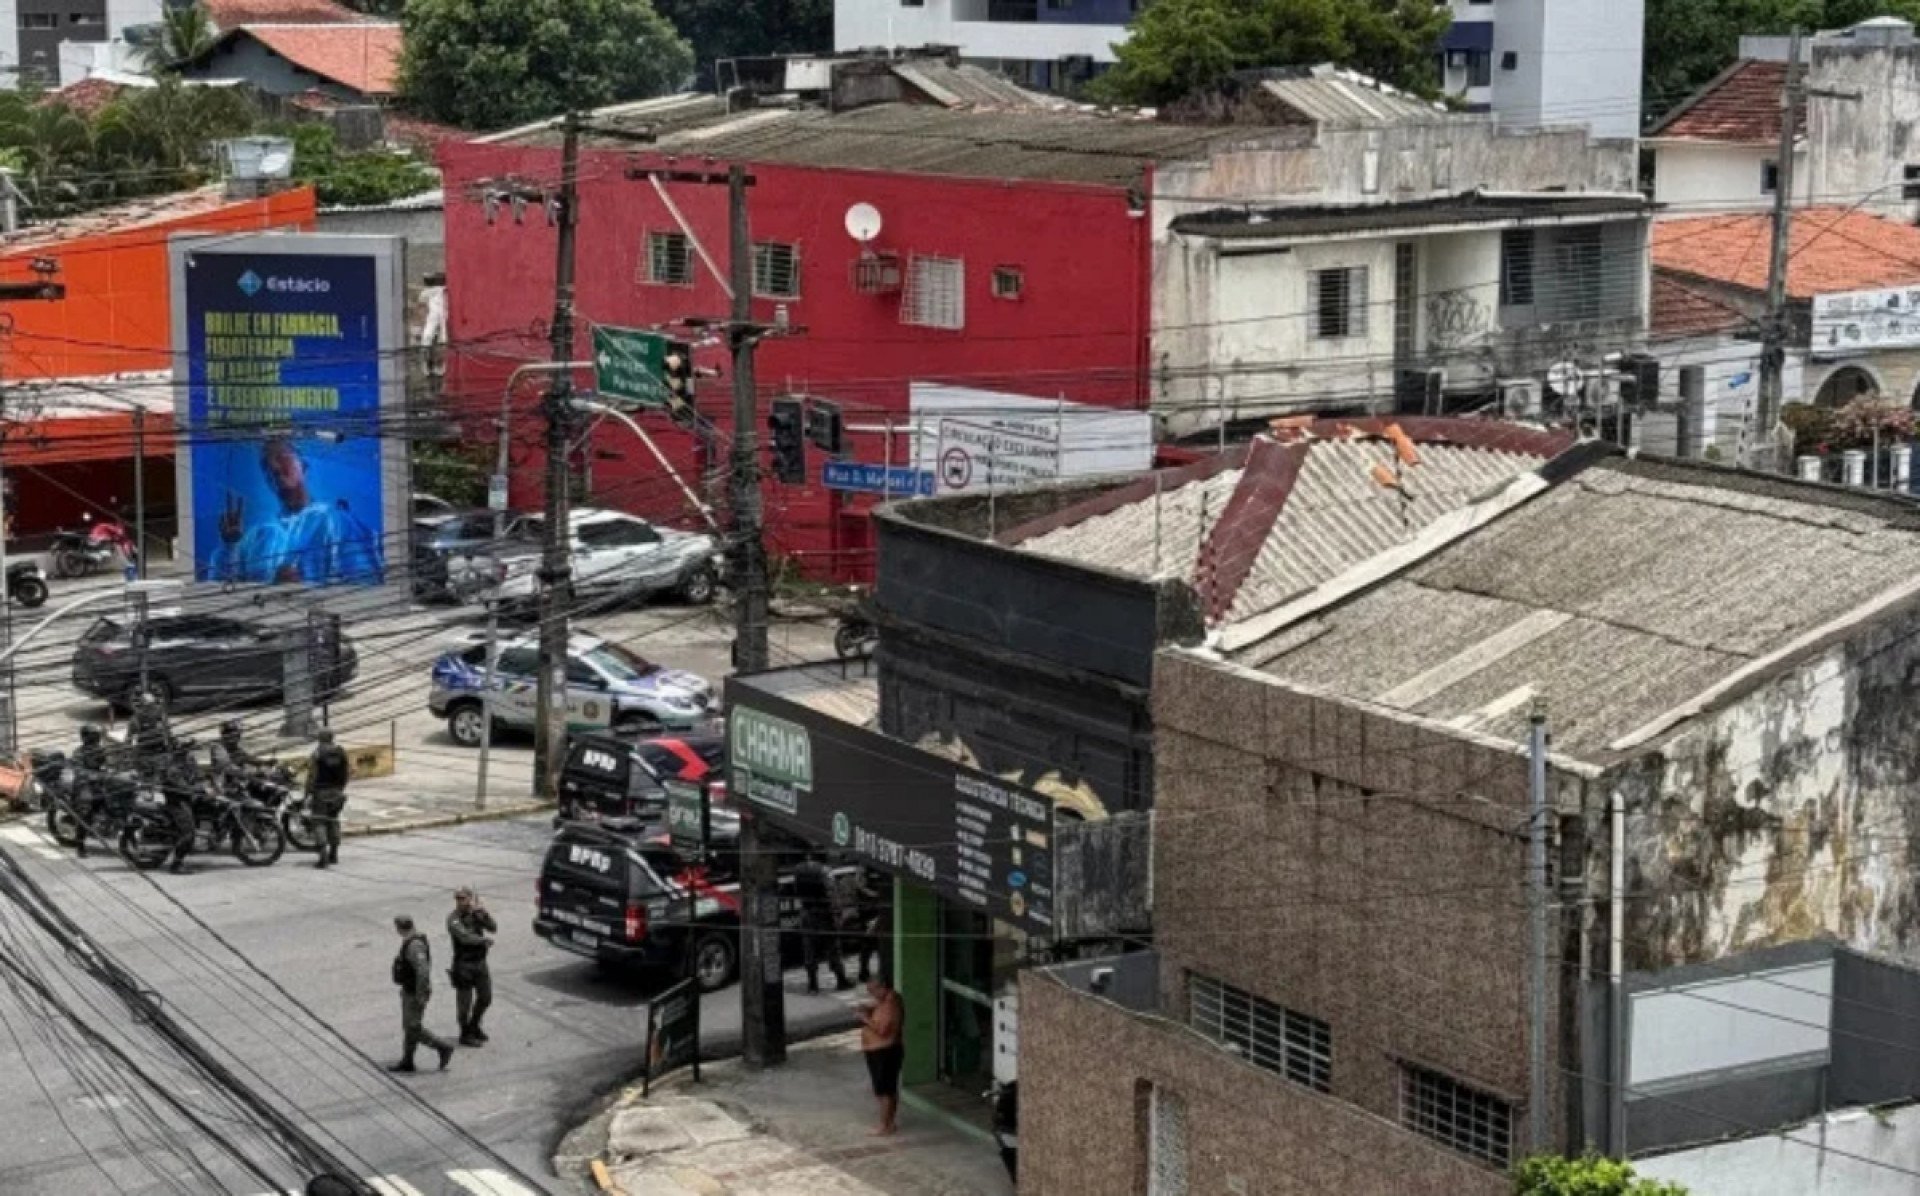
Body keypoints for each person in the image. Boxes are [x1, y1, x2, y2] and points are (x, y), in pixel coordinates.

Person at [208, 435, 384, 586]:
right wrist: (229, 546)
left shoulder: (336, 522)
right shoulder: (257, 537)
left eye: (281, 457)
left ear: (304, 465)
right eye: (265, 465)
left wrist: (302, 594)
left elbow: (365, 587)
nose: (274, 467)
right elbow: (221, 592)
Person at [389, 915, 454, 1073]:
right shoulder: (411, 941)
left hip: (414, 992)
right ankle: (408, 1060)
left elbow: (423, 971)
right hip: (410, 990)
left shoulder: (414, 945)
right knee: (409, 1026)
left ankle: (442, 1047)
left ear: (399, 928)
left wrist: (421, 994)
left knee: (413, 1027)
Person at [446, 887, 497, 1047]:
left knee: (486, 997)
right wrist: (483, 941)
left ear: (470, 899)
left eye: (463, 898)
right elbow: (464, 937)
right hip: (464, 965)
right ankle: (465, 1033)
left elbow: (493, 928)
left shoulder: (476, 914)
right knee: (464, 1003)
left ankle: (474, 1025)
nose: (460, 902)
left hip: (480, 963)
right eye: (458, 899)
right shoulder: (453, 919)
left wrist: (484, 913)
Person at [793, 853, 850, 993]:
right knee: (832, 947)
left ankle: (813, 984)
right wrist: (838, 914)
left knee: (809, 949)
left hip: (806, 912)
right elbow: (832, 893)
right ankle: (841, 980)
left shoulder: (798, 869)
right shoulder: (825, 871)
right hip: (824, 913)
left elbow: (796, 890)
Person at [858, 972, 904, 1136]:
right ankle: (889, 1122)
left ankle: (885, 1125)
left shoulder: (891, 1003)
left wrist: (865, 1018)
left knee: (885, 1091)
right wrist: (870, 1009)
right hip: (880, 1050)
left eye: (873, 991)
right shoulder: (886, 1001)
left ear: (882, 987)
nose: (872, 995)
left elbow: (884, 1029)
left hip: (884, 1051)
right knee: (886, 1089)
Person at [305, 726, 349, 869]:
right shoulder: (341, 752)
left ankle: (323, 855)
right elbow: (346, 773)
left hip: (320, 792)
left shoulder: (317, 753)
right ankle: (334, 853)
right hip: (337, 792)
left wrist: (307, 793)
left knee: (319, 822)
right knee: (333, 820)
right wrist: (340, 789)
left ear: (320, 738)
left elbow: (312, 776)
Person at [70, 723, 109, 859]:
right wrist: (93, 775)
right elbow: (79, 771)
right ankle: (80, 845)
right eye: (94, 736)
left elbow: (109, 762)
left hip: (99, 782)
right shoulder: (79, 753)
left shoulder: (100, 750)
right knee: (85, 813)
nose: (96, 739)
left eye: (97, 736)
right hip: (84, 785)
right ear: (86, 737)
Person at [208, 720, 265, 794]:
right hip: (224, 788)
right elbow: (227, 766)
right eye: (236, 734)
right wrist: (247, 773)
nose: (238, 737)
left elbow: (248, 758)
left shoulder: (235, 748)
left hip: (237, 785)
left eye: (239, 734)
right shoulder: (218, 747)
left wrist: (264, 763)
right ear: (227, 734)